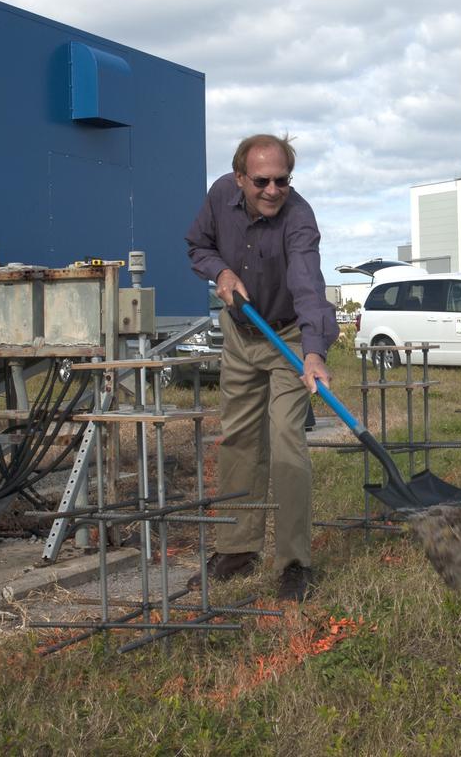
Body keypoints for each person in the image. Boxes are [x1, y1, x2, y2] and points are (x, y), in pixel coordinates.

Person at [185, 134, 339, 602]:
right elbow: (198, 246)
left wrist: (313, 351)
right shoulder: (217, 198)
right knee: (239, 439)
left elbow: (307, 283)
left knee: (287, 441)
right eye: (262, 181)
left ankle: (295, 562)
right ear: (239, 178)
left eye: (282, 181)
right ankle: (237, 549)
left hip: (289, 337)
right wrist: (221, 272)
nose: (273, 190)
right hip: (241, 333)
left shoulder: (299, 217)